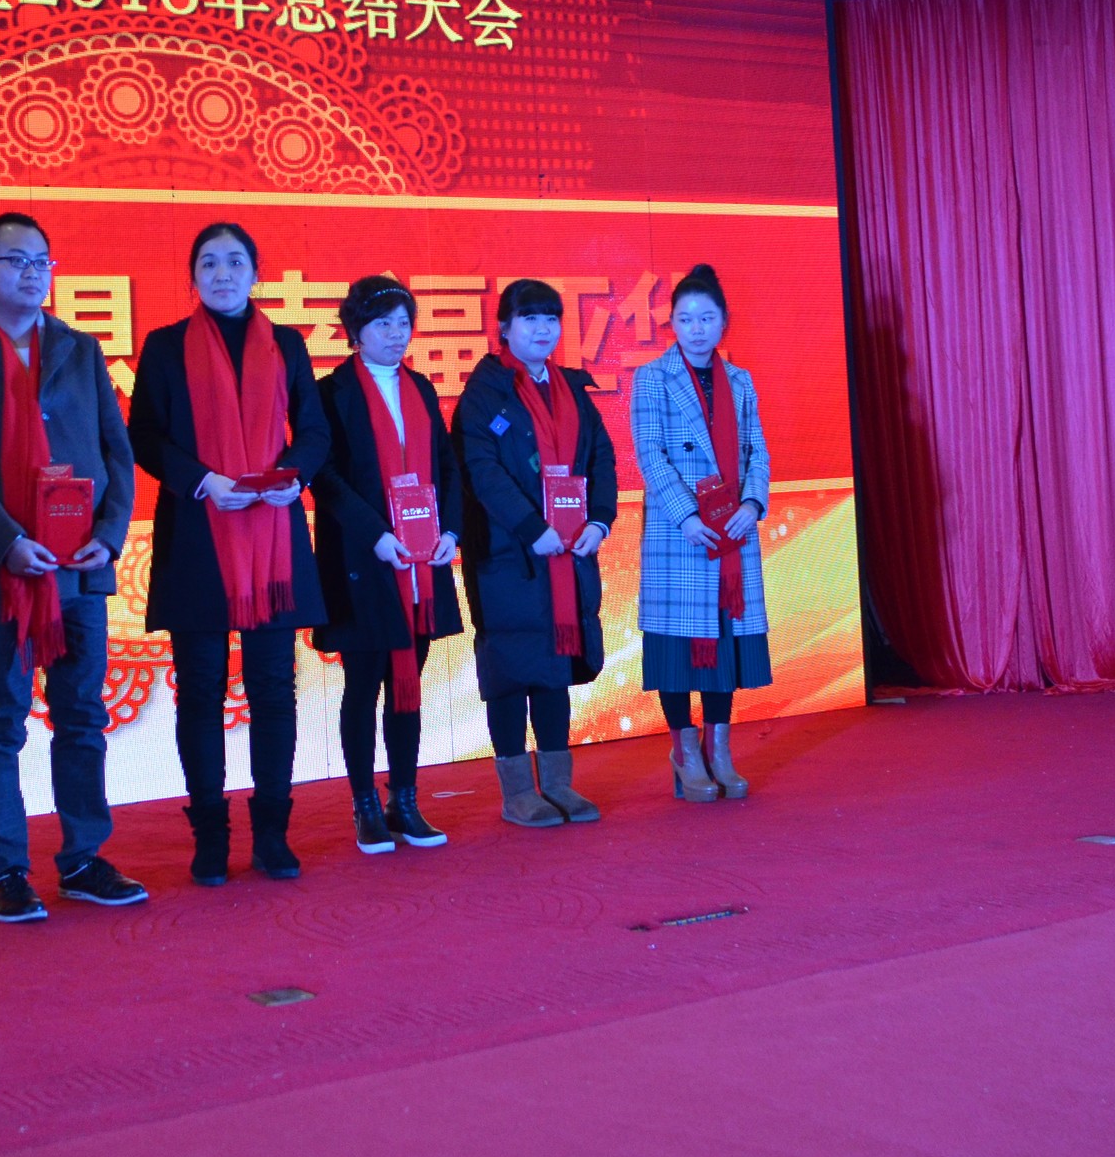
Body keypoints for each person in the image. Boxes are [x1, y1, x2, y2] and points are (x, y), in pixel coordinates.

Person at [0, 211, 149, 921]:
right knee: (2, 718)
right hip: (9, 570)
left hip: (80, 566)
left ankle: (82, 857)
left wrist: (109, 534)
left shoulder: (81, 350)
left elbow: (116, 452)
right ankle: (4, 868)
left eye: (42, 261)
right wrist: (7, 541)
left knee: (81, 714)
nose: (32, 273)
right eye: (16, 261)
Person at [129, 221, 329, 883]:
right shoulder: (164, 347)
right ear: (192, 276)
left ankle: (272, 834)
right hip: (198, 532)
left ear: (255, 273)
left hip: (272, 536)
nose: (222, 274)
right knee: (200, 691)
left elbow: (315, 431)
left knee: (273, 689)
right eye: (209, 263)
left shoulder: (287, 344)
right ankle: (210, 837)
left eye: (235, 262)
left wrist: (294, 477)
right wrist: (203, 481)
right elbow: (144, 436)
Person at [452, 278, 618, 828]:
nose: (543, 329)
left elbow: (601, 459)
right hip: (508, 553)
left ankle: (559, 784)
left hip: (569, 549)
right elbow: (480, 471)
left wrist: (599, 520)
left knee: (555, 664)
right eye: (530, 319)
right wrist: (531, 527)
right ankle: (518, 792)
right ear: (504, 327)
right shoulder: (484, 392)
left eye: (551, 319)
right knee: (509, 667)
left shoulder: (571, 387)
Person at [312, 275, 462, 853]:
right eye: (383, 324)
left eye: (404, 324)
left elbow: (446, 465)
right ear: (356, 331)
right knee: (363, 685)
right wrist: (375, 533)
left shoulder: (420, 387)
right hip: (364, 559)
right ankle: (365, 806)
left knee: (409, 684)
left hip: (421, 562)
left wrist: (450, 531)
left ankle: (405, 800)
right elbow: (324, 476)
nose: (397, 335)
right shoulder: (332, 393)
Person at [631, 263, 771, 801]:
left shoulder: (741, 380)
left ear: (723, 322)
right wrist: (685, 516)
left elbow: (757, 450)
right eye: (686, 318)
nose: (696, 328)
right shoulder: (652, 377)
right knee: (676, 650)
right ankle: (685, 753)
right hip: (680, 534)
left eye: (707, 318)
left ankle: (719, 751)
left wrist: (753, 503)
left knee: (724, 643)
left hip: (733, 530)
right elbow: (651, 454)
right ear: (671, 323)